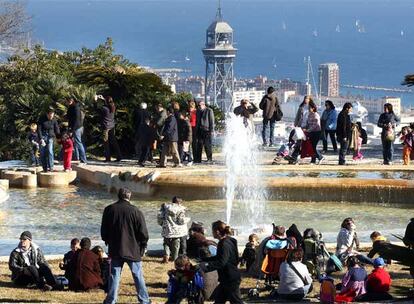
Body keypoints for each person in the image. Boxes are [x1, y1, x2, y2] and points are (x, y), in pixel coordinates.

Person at [100, 188, 150, 304]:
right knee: (138, 276)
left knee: (114, 276)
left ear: (118, 196)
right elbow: (143, 232)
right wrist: (143, 245)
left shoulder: (109, 209)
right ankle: (144, 300)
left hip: (115, 248)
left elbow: (104, 230)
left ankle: (111, 300)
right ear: (129, 196)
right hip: (133, 249)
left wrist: (107, 240)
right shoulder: (136, 211)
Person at [200, 221, 242, 304]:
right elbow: (226, 257)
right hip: (228, 277)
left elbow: (221, 262)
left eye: (212, 231)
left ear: (217, 231)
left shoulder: (223, 243)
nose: (212, 233)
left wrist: (206, 267)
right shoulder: (231, 240)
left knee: (236, 301)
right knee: (219, 301)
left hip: (230, 278)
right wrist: (206, 260)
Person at [157, 196, 190, 263]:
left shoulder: (165, 207)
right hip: (177, 231)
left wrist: (162, 224)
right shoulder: (181, 209)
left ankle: (166, 255)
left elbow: (160, 217)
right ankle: (174, 258)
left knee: (166, 243)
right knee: (176, 244)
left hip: (167, 229)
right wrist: (188, 219)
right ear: (179, 202)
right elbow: (181, 221)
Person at [96, 95, 122, 162]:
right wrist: (103, 99)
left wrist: (95, 100)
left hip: (105, 127)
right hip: (112, 126)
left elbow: (96, 109)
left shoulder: (104, 108)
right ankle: (119, 156)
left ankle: (108, 158)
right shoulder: (112, 107)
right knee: (114, 142)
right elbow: (108, 103)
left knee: (106, 142)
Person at [66, 97, 87, 164]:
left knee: (78, 142)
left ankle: (84, 159)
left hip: (77, 127)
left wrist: (72, 130)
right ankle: (77, 158)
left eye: (70, 101)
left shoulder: (76, 108)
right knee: (74, 143)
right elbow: (69, 118)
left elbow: (76, 121)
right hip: (73, 127)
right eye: (68, 101)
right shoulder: (70, 107)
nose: (68, 102)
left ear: (72, 101)